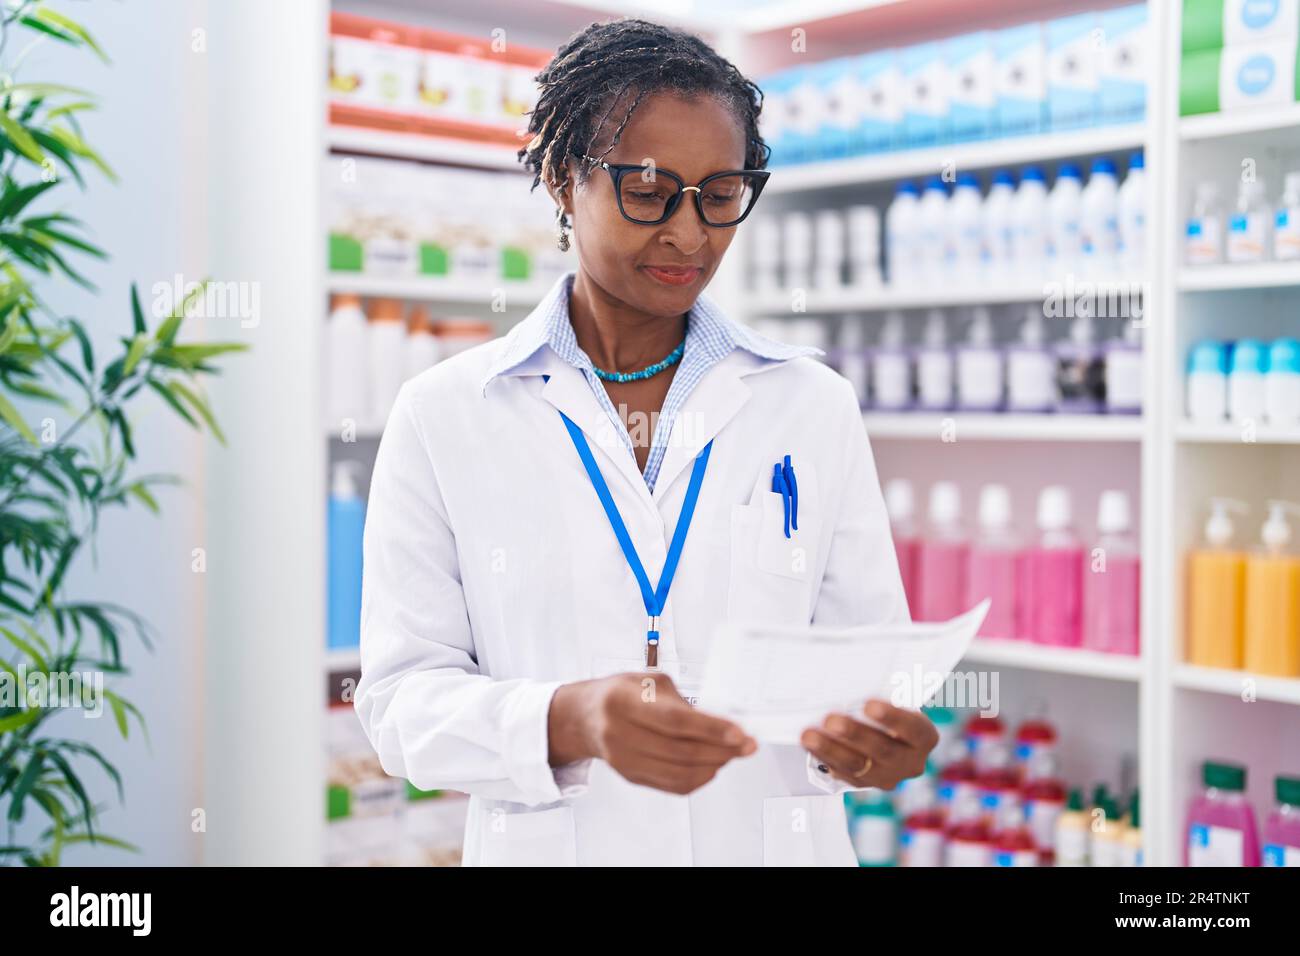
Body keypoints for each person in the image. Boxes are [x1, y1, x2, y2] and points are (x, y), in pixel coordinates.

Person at [354, 18, 937, 866]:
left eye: (721, 193)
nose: (690, 232)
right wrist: (570, 718)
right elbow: (402, 705)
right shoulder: (446, 414)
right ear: (563, 178)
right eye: (650, 189)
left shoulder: (811, 405)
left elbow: (867, 663)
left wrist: (875, 740)